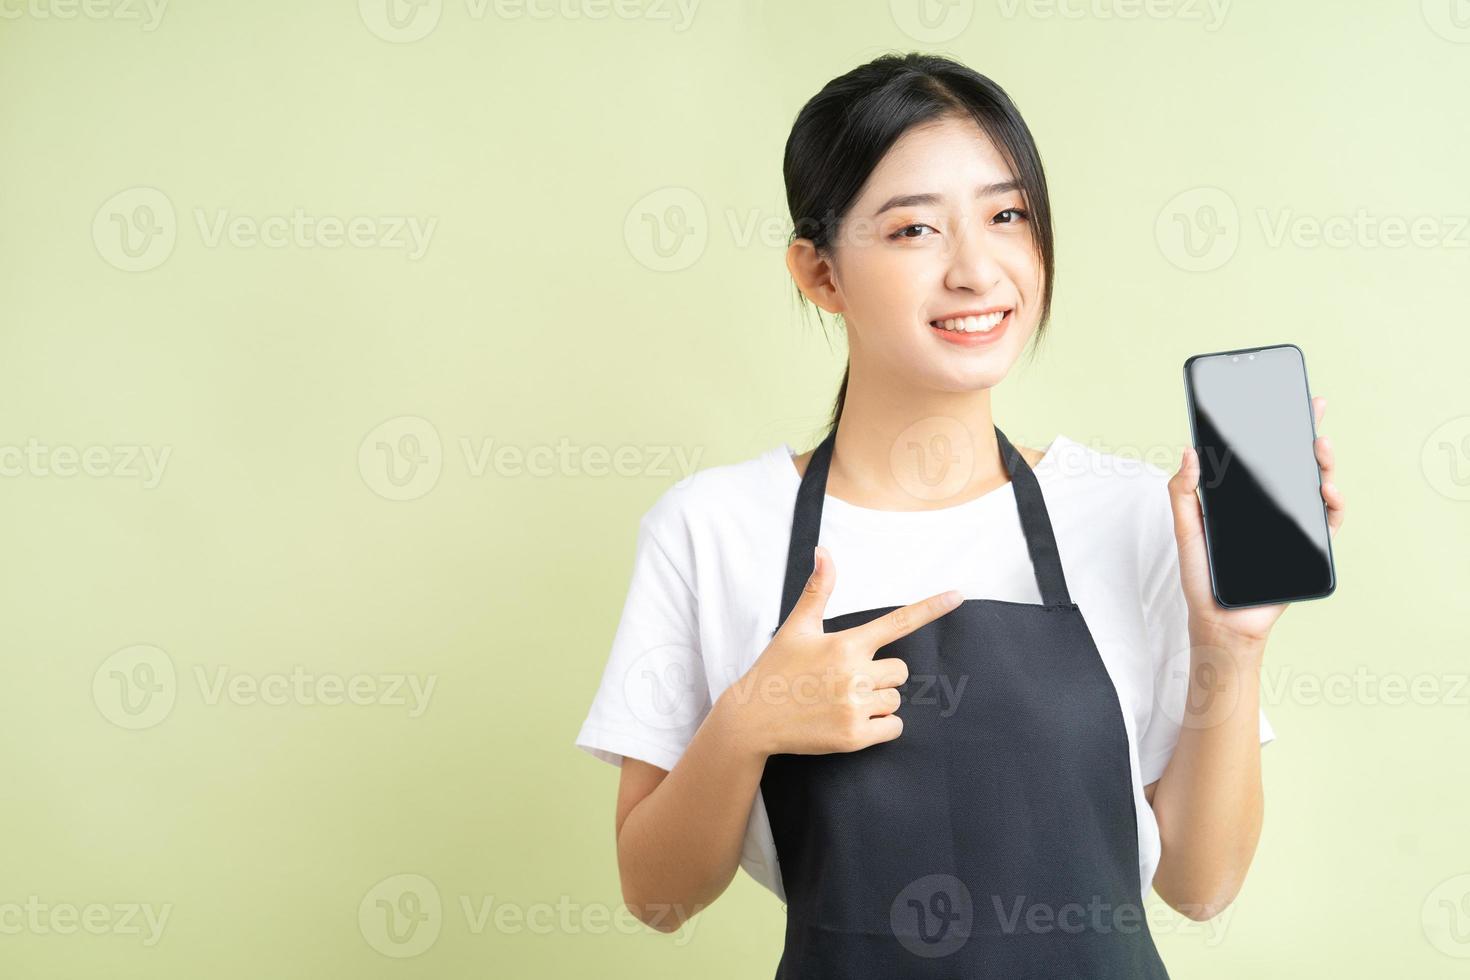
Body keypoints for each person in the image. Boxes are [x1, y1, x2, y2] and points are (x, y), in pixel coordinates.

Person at [575, 51, 1346, 976]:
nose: (978, 270)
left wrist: (1232, 647)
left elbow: (1201, 883)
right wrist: (749, 722)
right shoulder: (713, 527)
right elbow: (657, 896)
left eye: (1007, 215)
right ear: (820, 274)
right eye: (913, 231)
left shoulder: (1135, 515)